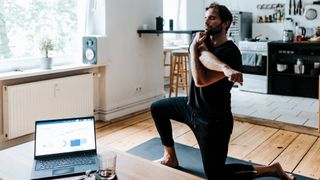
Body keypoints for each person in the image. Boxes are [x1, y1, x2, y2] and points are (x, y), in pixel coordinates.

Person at [150, 2, 294, 180]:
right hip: (191, 107)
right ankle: (170, 157)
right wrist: (211, 59)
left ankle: (271, 169)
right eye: (205, 18)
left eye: (212, 18)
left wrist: (200, 51)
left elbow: (201, 79)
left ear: (225, 23)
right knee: (157, 108)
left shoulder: (231, 53)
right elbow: (204, 55)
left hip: (213, 122)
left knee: (215, 175)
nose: (206, 22)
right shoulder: (204, 44)